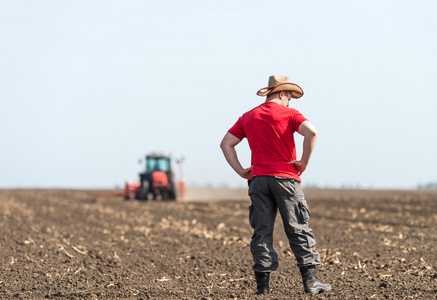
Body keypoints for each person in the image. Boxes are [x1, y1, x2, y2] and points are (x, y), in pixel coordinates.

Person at [220, 75, 331, 295]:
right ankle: (311, 282)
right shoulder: (290, 114)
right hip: (286, 179)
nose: (290, 102)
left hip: (259, 180)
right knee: (298, 228)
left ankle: (262, 288)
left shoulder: (248, 116)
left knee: (262, 232)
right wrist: (304, 162)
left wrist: (242, 170)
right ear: (282, 94)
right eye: (289, 97)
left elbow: (226, 144)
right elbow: (312, 132)